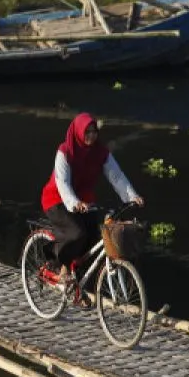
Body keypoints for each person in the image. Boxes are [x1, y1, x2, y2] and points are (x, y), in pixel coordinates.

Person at [39, 112, 144, 283]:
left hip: (85, 201)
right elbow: (62, 182)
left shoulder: (100, 152)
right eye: (87, 132)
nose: (91, 135)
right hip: (57, 199)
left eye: (94, 131)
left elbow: (116, 176)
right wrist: (74, 203)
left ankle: (76, 279)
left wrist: (132, 196)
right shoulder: (65, 151)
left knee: (95, 237)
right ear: (78, 132)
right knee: (76, 234)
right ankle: (55, 258)